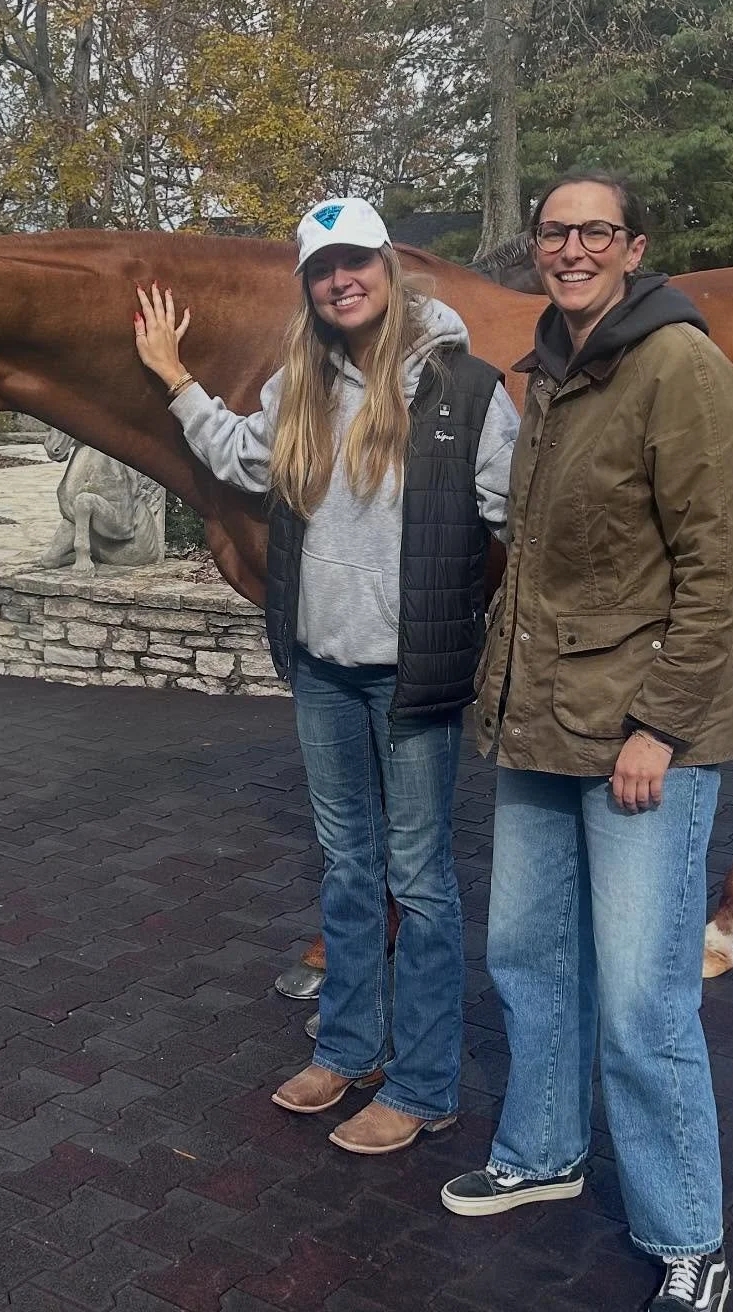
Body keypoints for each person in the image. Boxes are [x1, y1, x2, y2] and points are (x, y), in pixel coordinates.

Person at [131, 197, 518, 1155]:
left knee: (420, 882)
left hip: (413, 677)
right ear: (309, 284)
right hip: (321, 670)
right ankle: (349, 1048)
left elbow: (519, 515)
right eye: (323, 268)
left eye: (357, 262)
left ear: (388, 266)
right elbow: (242, 461)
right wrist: (176, 380)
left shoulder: (464, 389)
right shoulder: (297, 384)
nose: (342, 280)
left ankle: (425, 1084)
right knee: (349, 869)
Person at [440, 171, 733, 1312]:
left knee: (641, 1000)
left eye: (594, 233)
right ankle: (544, 1152)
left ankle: (690, 1236)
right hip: (538, 723)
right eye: (556, 232)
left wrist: (660, 726)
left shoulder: (680, 367)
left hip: (640, 740)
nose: (571, 248)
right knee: (527, 957)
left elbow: (718, 570)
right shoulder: (552, 370)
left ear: (634, 248)